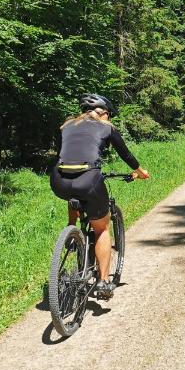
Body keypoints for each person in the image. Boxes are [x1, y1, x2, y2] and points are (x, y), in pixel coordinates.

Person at [50, 93, 149, 299]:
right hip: (89, 179)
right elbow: (126, 154)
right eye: (109, 114)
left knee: (73, 193)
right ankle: (103, 282)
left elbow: (68, 153)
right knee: (101, 229)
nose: (109, 118)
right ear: (103, 113)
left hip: (59, 179)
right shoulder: (107, 127)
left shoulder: (67, 125)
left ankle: (72, 229)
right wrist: (140, 171)